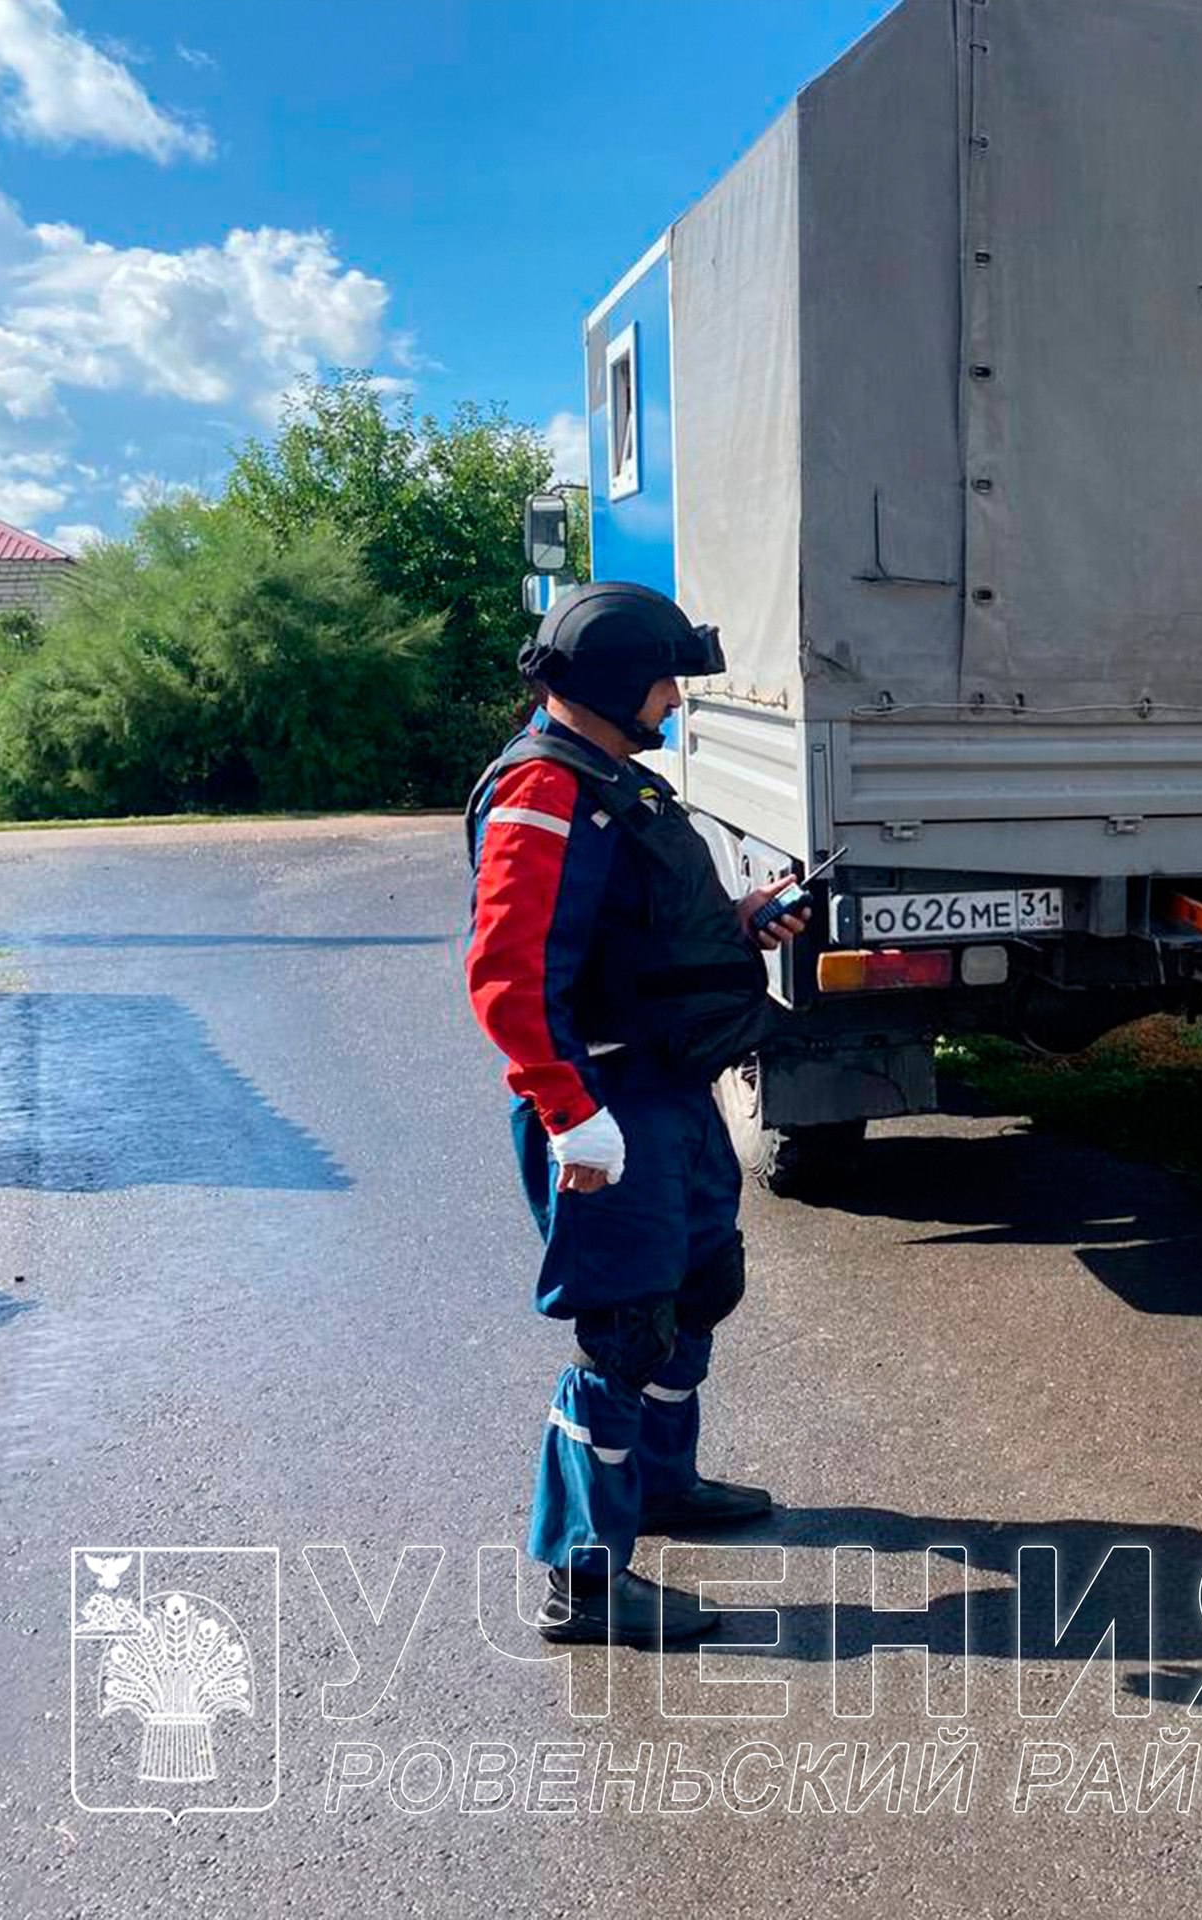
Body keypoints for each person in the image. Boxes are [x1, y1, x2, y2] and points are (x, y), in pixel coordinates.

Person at [464, 581, 810, 1645]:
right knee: (621, 1332)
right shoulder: (544, 791)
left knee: (701, 1283)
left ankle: (660, 1486)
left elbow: (638, 928)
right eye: (665, 678)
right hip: (605, 1105)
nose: (674, 696)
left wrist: (742, 920)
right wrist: (569, 1115)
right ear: (616, 681)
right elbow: (507, 976)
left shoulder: (615, 779)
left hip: (667, 1087)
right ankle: (585, 1582)